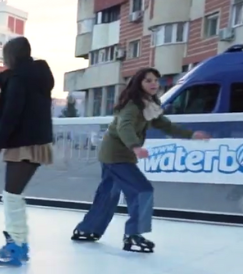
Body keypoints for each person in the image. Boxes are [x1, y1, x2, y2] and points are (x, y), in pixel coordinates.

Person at [71, 67, 210, 253]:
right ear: (139, 84)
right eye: (148, 80)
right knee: (142, 190)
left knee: (108, 194)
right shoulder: (132, 105)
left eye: (156, 80)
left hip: (116, 154)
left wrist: (191, 135)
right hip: (116, 156)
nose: (154, 84)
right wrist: (135, 146)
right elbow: (124, 126)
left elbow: (165, 125)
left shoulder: (149, 105)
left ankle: (87, 230)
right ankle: (133, 235)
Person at [0, 36, 54, 266]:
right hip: (37, 141)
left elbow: (10, 116)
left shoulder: (19, 79)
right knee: (14, 195)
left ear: (10, 56)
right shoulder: (39, 77)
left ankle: (15, 247)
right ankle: (19, 244)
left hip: (23, 144)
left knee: (11, 196)